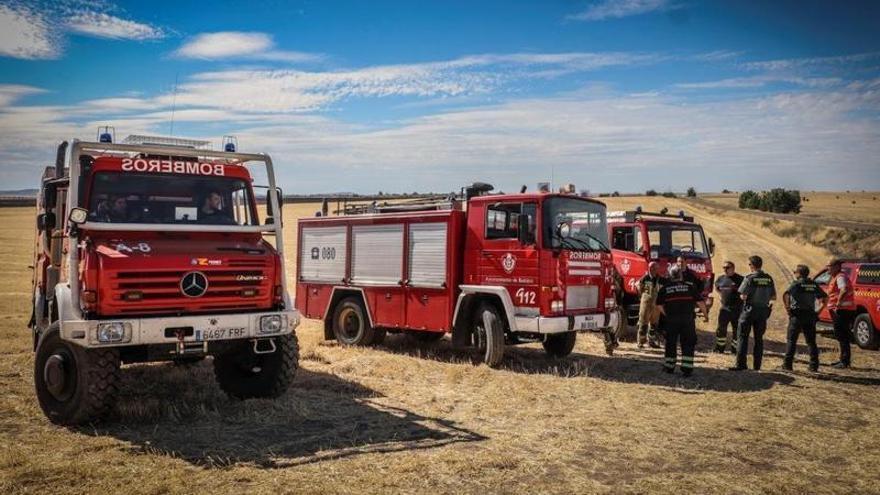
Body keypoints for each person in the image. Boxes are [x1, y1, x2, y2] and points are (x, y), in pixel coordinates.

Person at [656, 264, 709, 376]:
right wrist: (705, 315)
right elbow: (701, 303)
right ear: (681, 275)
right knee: (688, 343)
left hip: (671, 320)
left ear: (670, 276)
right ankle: (687, 368)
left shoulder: (665, 289)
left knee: (671, 343)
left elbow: (659, 305)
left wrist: (667, 314)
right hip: (687, 320)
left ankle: (669, 367)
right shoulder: (690, 287)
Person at [730, 255, 776, 371]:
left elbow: (743, 296)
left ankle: (741, 365)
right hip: (763, 312)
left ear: (752, 265)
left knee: (742, 337)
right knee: (759, 339)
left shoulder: (749, 278)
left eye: (749, 264)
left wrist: (745, 296)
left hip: (749, 311)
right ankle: (757, 366)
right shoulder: (768, 278)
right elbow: (774, 297)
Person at [782, 264, 827, 372]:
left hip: (797, 315)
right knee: (811, 341)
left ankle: (787, 365)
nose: (794, 274)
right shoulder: (813, 284)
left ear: (799, 273)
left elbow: (786, 294)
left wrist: (788, 308)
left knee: (791, 340)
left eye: (795, 272)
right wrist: (818, 311)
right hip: (810, 315)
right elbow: (825, 298)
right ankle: (813, 365)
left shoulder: (796, 284)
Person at [826, 259, 856, 369]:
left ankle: (844, 361)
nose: (827, 268)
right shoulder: (836, 277)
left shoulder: (840, 277)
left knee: (842, 335)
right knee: (841, 335)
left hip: (842, 310)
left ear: (837, 266)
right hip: (842, 310)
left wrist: (838, 304)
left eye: (829, 266)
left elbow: (843, 290)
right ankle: (843, 360)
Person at [714, 261, 744, 353]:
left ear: (733, 268)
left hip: (737, 309)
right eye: (724, 267)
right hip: (724, 309)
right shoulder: (720, 279)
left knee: (736, 330)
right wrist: (723, 298)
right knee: (721, 329)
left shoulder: (740, 279)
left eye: (727, 267)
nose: (725, 269)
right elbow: (717, 288)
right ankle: (720, 348)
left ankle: (735, 349)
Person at [636, 261, 662, 349]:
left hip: (656, 305)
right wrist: (643, 298)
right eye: (652, 268)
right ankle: (641, 342)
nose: (654, 270)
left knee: (654, 324)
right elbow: (639, 289)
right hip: (646, 304)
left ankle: (651, 341)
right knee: (643, 323)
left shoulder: (660, 279)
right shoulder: (644, 278)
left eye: (655, 268)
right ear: (649, 269)